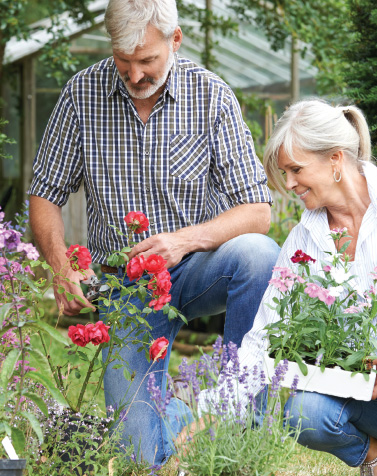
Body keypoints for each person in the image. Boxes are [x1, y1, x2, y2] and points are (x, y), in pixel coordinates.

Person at [28, 0, 280, 464]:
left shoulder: (212, 96)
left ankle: (246, 433)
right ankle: (179, 417)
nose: (135, 74)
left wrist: (184, 240)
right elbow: (44, 194)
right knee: (137, 455)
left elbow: (259, 212)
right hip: (126, 287)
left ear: (175, 41)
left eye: (147, 61)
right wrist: (61, 266)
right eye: (124, 62)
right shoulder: (82, 95)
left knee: (259, 255)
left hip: (196, 268)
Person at [196, 99, 377, 475]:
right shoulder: (304, 240)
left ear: (335, 160)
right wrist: (205, 411)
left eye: (296, 169)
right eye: (284, 173)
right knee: (304, 413)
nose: (289, 184)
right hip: (375, 401)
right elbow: (261, 339)